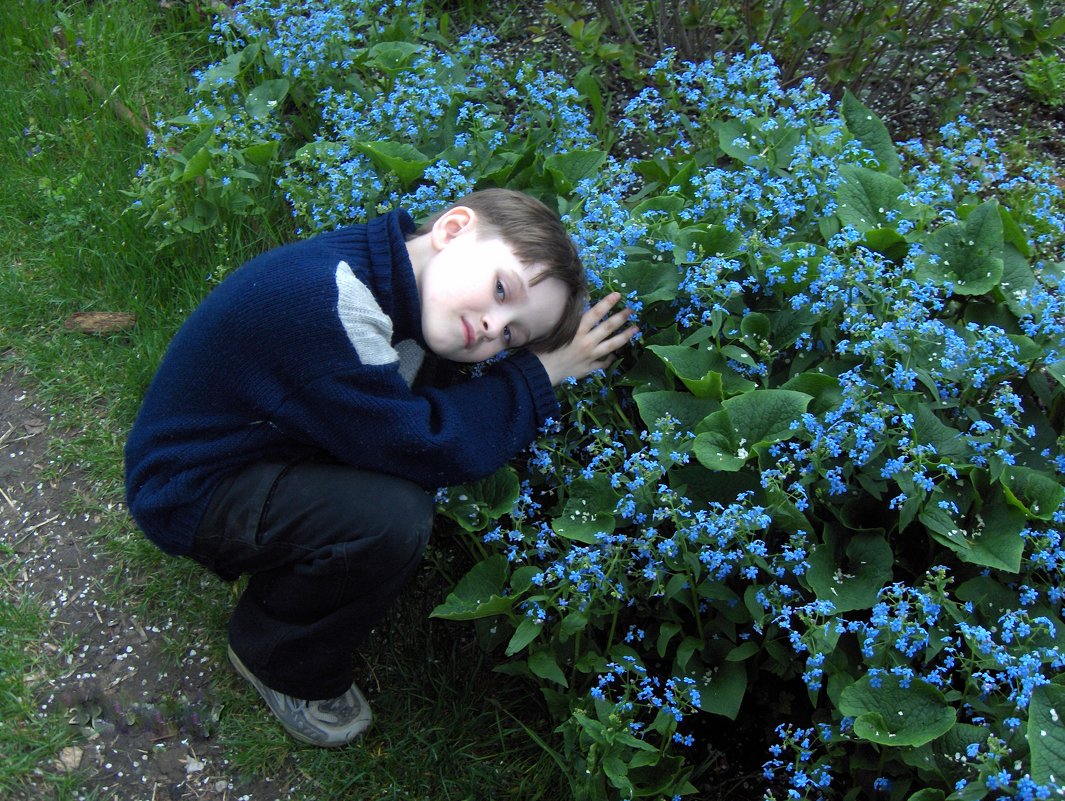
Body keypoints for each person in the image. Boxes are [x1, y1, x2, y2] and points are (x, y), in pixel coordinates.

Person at [124, 188, 638, 747]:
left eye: (513, 334)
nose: (494, 326)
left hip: (256, 446)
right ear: (452, 228)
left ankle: (297, 565)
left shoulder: (389, 269)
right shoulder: (334, 304)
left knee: (388, 488)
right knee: (389, 517)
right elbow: (428, 445)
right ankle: (277, 659)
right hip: (189, 486)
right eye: (500, 290)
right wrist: (543, 373)